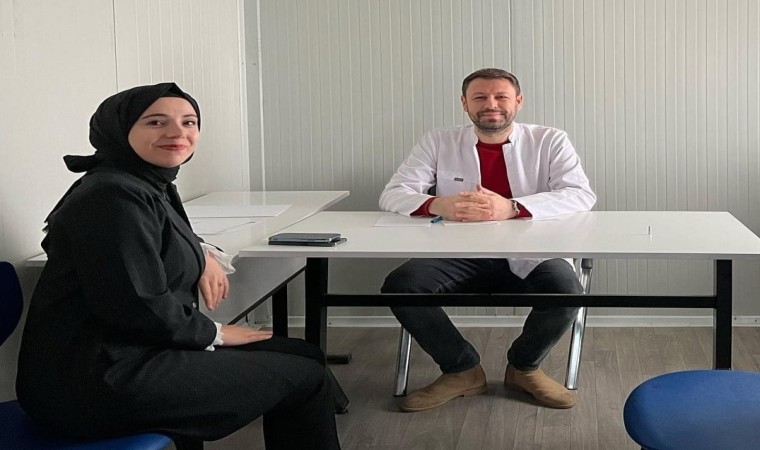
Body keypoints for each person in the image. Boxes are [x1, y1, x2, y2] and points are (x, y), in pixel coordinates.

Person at [16, 83, 341, 449]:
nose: (177, 133)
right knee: (305, 378)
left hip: (131, 350)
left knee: (302, 354)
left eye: (189, 122)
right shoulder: (112, 195)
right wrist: (213, 333)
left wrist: (202, 253)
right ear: (120, 129)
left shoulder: (141, 181)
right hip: (96, 379)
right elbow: (135, 304)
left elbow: (158, 234)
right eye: (156, 122)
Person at [379, 68, 596, 412]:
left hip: (533, 250)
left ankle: (524, 368)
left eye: (500, 97)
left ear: (518, 102)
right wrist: (438, 204)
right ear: (464, 103)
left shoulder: (550, 140)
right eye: (479, 97)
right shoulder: (439, 141)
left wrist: (513, 207)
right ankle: (461, 370)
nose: (490, 104)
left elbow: (580, 194)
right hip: (458, 250)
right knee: (401, 286)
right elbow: (393, 193)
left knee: (567, 291)